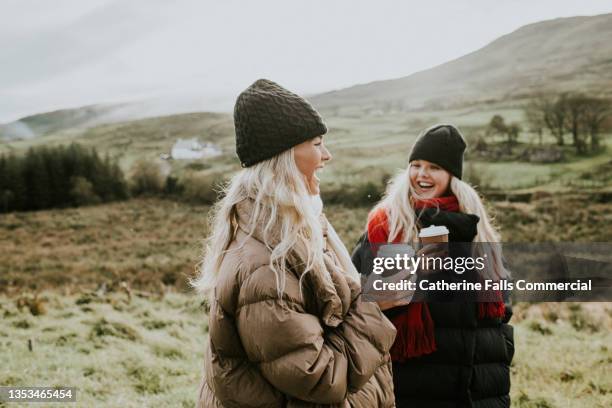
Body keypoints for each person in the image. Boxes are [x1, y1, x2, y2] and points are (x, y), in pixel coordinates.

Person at [193, 79, 397, 407]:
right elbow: (320, 377)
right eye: (317, 144)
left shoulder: (295, 228)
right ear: (285, 157)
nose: (326, 155)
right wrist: (372, 306)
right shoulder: (266, 267)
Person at [352, 124, 514, 408]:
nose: (422, 174)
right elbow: (356, 296)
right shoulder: (388, 225)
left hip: (479, 390)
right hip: (412, 385)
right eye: (416, 165)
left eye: (434, 167)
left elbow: (502, 305)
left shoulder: (476, 225)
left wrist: (500, 351)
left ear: (453, 176)